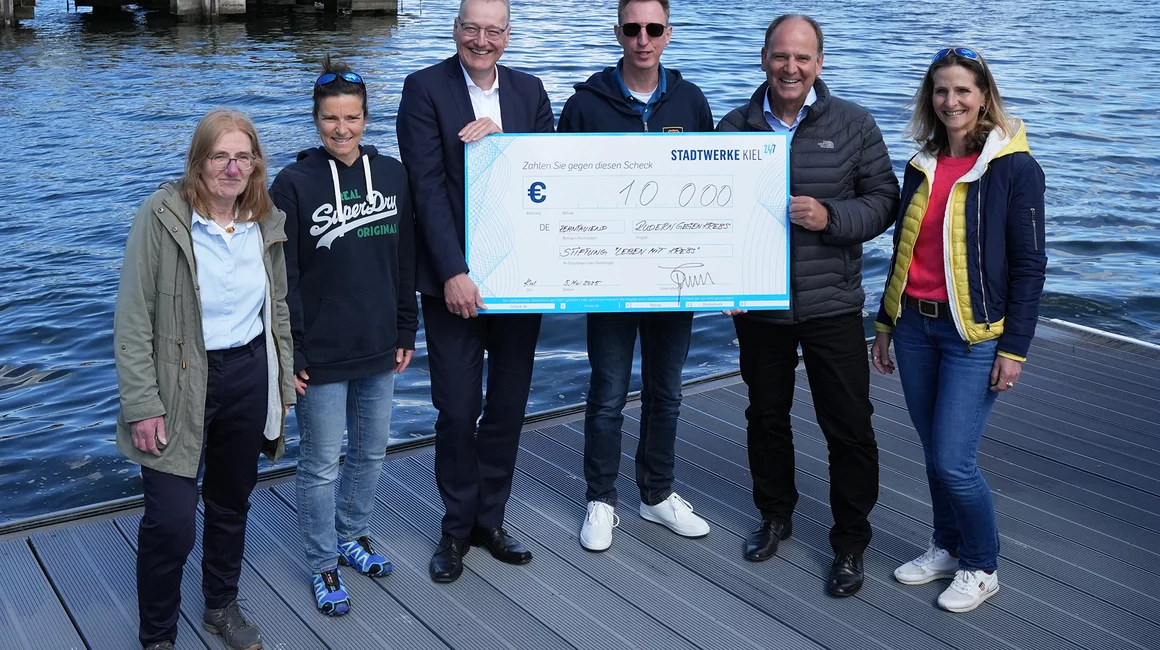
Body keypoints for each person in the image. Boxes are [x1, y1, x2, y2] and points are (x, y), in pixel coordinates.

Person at [717, 14, 899, 597]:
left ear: (819, 63)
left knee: (849, 427)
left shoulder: (854, 124)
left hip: (832, 304)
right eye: (780, 56)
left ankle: (850, 541)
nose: (790, 68)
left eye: (802, 58)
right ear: (764, 58)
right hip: (761, 309)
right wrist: (721, 282)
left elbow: (885, 201)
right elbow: (709, 219)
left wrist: (831, 218)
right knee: (765, 417)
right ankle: (775, 516)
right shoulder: (732, 126)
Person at [872, 46, 1047, 613]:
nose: (952, 101)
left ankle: (981, 564)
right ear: (931, 98)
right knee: (934, 452)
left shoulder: (1015, 167)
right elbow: (904, 249)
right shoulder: (920, 164)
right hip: (916, 330)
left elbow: (1029, 264)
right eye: (942, 91)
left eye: (963, 91)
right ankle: (946, 546)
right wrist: (884, 325)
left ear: (984, 96)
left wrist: (1014, 348)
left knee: (954, 459)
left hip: (974, 335)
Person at [114, 109, 295, 650]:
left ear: (256, 164)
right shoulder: (163, 215)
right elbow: (132, 316)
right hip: (178, 380)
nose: (232, 167)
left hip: (246, 375)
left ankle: (220, 605)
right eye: (220, 156)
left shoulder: (266, 220)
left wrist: (281, 383)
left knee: (230, 502)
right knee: (171, 521)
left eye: (243, 156)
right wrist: (143, 403)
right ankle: (158, 637)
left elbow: (278, 307)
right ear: (198, 161)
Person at [395, 0, 553, 583]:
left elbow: (548, 172)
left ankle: (491, 519)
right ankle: (456, 527)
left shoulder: (530, 91)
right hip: (453, 285)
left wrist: (504, 141)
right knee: (458, 409)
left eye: (493, 30)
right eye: (472, 28)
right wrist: (453, 271)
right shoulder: (424, 89)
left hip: (519, 280)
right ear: (455, 30)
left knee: (508, 407)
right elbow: (427, 188)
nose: (481, 40)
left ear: (507, 36)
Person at [557, 0, 715, 553]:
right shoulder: (584, 104)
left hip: (674, 275)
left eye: (652, 28)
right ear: (618, 31)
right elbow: (561, 190)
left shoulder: (691, 100)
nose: (642, 38)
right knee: (605, 393)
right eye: (632, 28)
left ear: (667, 34)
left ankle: (656, 494)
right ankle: (601, 499)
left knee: (666, 392)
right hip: (608, 278)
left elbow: (715, 190)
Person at [269, 56, 417, 616]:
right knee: (321, 462)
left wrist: (407, 325)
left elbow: (405, 256)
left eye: (352, 117)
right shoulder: (294, 184)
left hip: (380, 343)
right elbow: (285, 278)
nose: (342, 129)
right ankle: (321, 560)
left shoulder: (394, 174)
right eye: (330, 118)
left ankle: (352, 535)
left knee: (372, 452)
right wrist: (294, 350)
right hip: (322, 353)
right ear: (315, 118)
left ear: (365, 117)